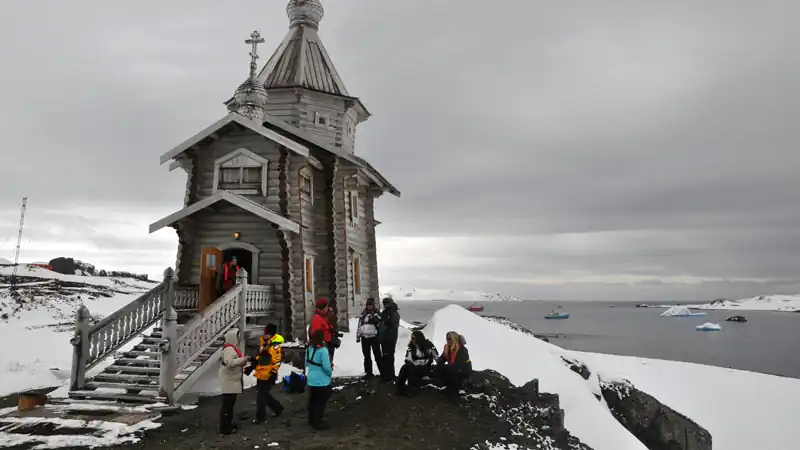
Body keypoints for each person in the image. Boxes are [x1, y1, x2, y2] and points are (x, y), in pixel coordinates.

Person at [219, 328, 250, 435]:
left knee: (229, 405)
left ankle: (228, 424)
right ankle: (225, 428)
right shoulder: (229, 349)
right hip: (229, 381)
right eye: (237, 337)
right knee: (227, 406)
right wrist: (243, 359)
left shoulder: (232, 348)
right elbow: (230, 363)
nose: (239, 339)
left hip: (232, 380)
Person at [251, 324, 285, 424]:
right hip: (261, 373)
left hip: (268, 374)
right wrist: (254, 361)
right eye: (265, 333)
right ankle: (277, 408)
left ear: (272, 334)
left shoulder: (274, 346)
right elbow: (261, 357)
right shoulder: (264, 344)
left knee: (261, 396)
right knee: (263, 394)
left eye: (267, 333)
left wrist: (273, 372)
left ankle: (260, 417)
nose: (265, 335)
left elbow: (276, 361)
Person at [396, 330, 438, 397]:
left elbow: (436, 356)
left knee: (414, 369)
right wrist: (412, 362)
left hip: (426, 367)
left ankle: (413, 389)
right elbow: (407, 358)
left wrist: (438, 366)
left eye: (413, 338)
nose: (412, 340)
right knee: (405, 367)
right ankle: (399, 387)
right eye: (411, 338)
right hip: (414, 366)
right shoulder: (411, 347)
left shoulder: (428, 345)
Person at [306, 329, 333, 430]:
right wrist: (329, 373)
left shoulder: (309, 348)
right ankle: (317, 421)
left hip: (311, 379)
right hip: (322, 380)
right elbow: (326, 367)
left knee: (313, 400)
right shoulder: (323, 350)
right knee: (321, 401)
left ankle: (311, 419)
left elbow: (306, 363)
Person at [436, 331, 472, 397]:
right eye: (447, 339)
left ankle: (461, 386)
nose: (448, 340)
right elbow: (443, 357)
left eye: (450, 339)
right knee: (439, 368)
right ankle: (444, 384)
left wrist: (447, 367)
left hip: (463, 370)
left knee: (447, 369)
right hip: (453, 367)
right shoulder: (447, 348)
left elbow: (461, 364)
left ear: (454, 339)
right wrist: (439, 362)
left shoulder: (462, 349)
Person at [356, 297, 383, 379]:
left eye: (371, 305)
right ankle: (369, 372)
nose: (369, 306)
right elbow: (360, 325)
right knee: (367, 356)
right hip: (365, 338)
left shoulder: (377, 313)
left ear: (373, 305)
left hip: (374, 337)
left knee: (377, 356)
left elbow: (381, 323)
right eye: (368, 305)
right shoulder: (363, 314)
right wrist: (358, 335)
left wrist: (375, 319)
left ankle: (383, 372)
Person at [379, 297, 400, 381]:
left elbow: (394, 326)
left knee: (390, 357)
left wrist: (385, 325)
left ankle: (391, 375)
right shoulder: (385, 312)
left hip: (390, 338)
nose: (385, 305)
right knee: (385, 357)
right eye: (384, 303)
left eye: (386, 303)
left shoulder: (393, 313)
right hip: (384, 338)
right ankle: (386, 375)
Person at [309, 297, 335, 364]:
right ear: (323, 307)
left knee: (328, 362)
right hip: (322, 344)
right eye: (326, 306)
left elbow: (332, 325)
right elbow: (316, 333)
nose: (328, 308)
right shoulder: (317, 318)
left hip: (328, 343)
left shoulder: (325, 315)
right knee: (325, 363)